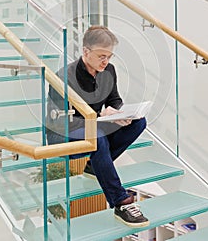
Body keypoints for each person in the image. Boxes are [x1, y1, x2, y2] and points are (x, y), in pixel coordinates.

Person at [46, 25, 149, 227]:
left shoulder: (108, 70)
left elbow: (114, 99)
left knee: (138, 123)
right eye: (102, 56)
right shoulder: (63, 77)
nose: (106, 61)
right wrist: (99, 116)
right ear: (86, 51)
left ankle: (94, 165)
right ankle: (121, 202)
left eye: (109, 56)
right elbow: (60, 122)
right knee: (98, 136)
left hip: (93, 127)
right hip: (63, 133)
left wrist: (119, 113)